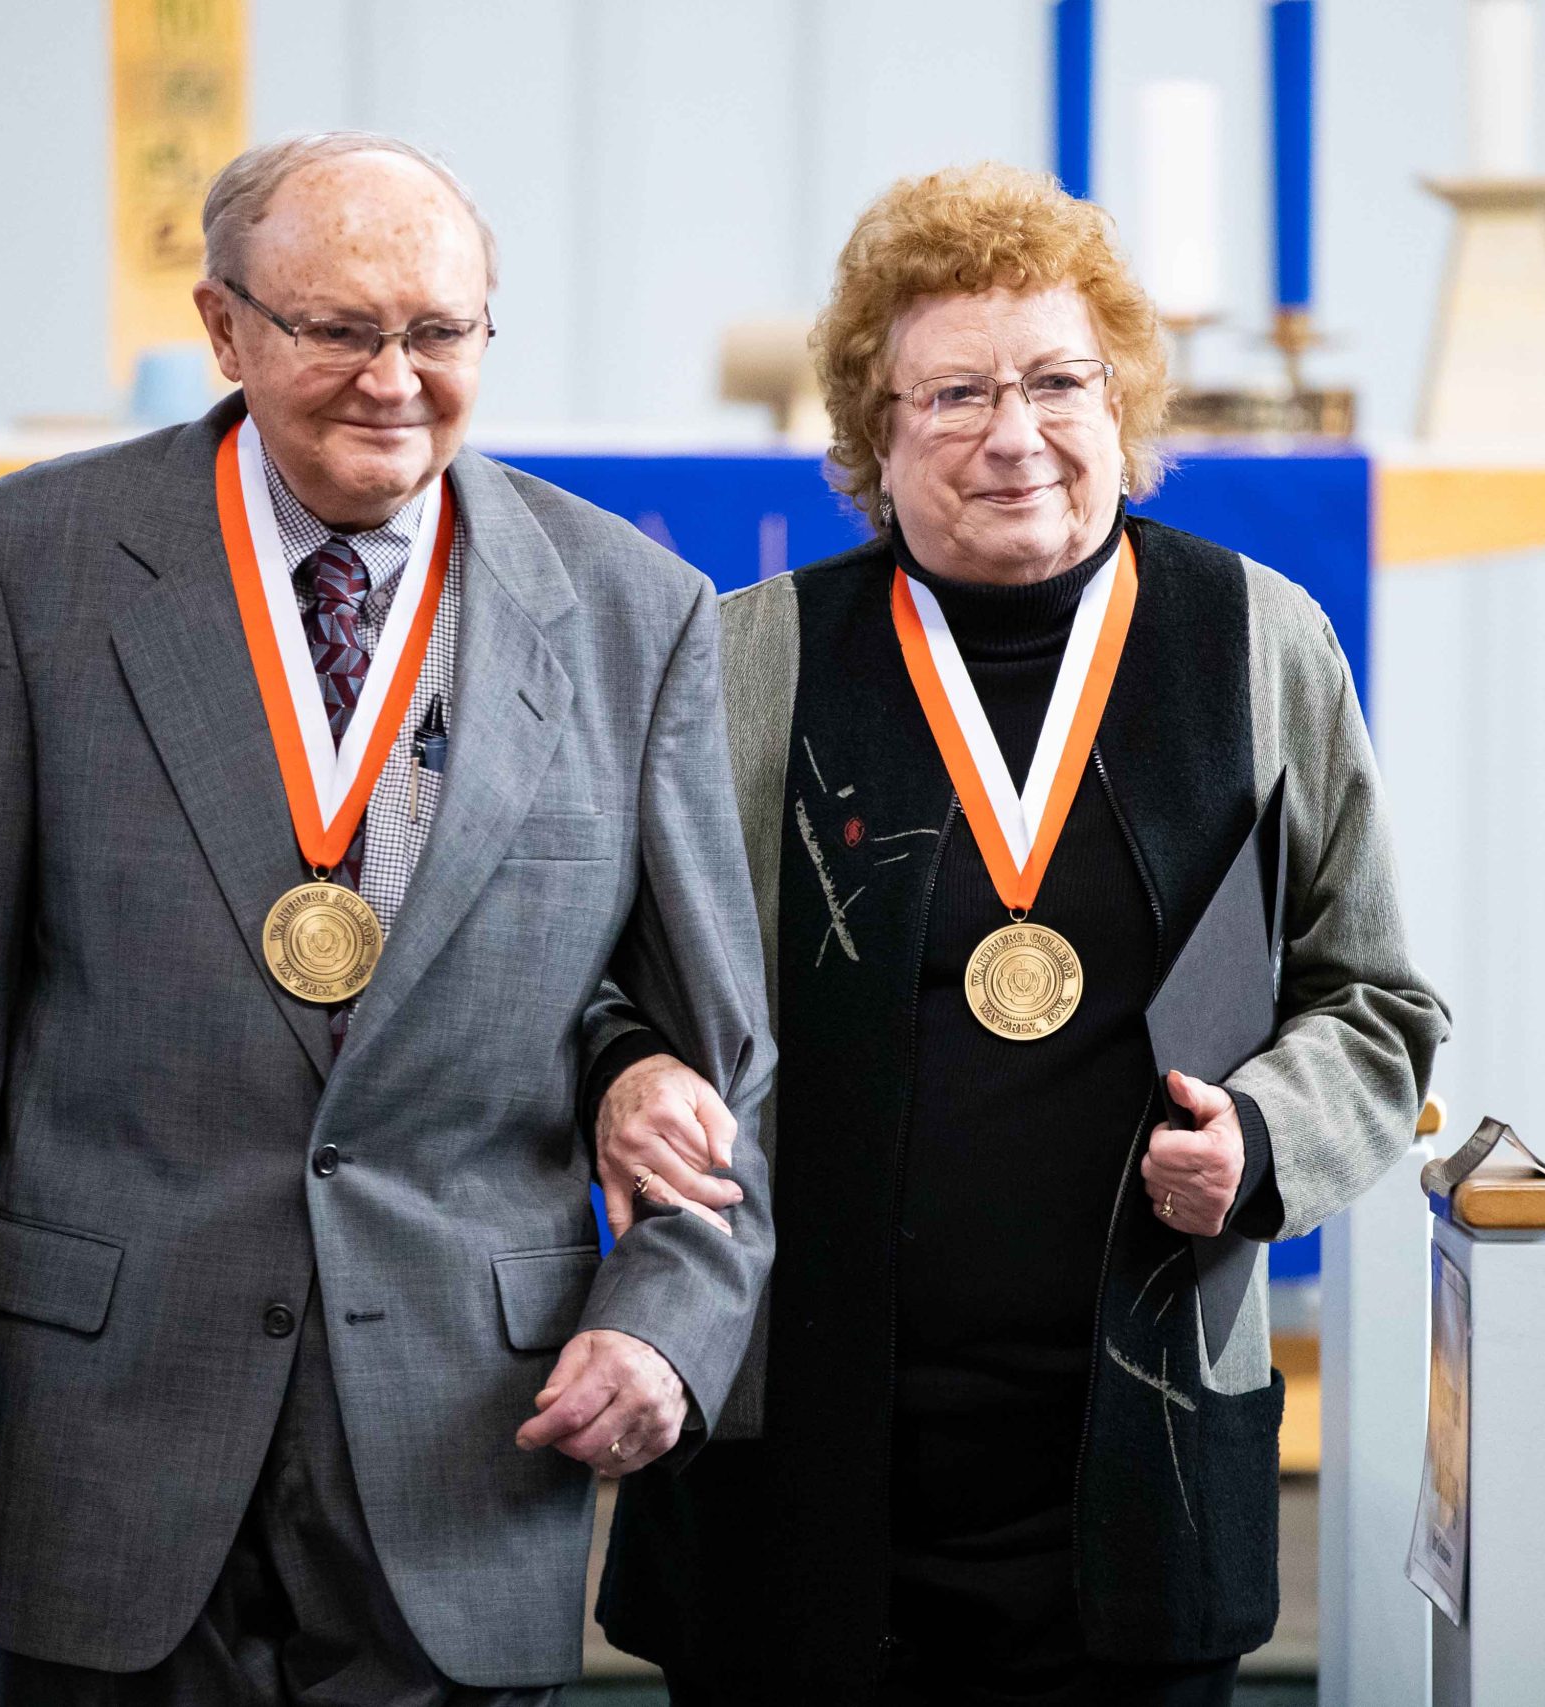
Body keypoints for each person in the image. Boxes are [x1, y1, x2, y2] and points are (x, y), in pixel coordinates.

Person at [0, 132, 772, 1703]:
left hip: (469, 1445)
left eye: (438, 332)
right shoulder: (30, 570)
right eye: (338, 330)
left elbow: (719, 1065)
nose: (393, 379)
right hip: (104, 1434)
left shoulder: (630, 611)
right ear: (224, 327)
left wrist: (671, 1324)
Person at [586, 163, 1449, 1706]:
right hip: (803, 1455)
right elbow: (609, 986)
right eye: (955, 393)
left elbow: (1375, 1001)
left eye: (1060, 379)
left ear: (1124, 404)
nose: (1015, 432)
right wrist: (632, 1071)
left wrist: (1261, 1140)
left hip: (1138, 1455)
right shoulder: (748, 661)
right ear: (874, 429)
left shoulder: (1261, 647)